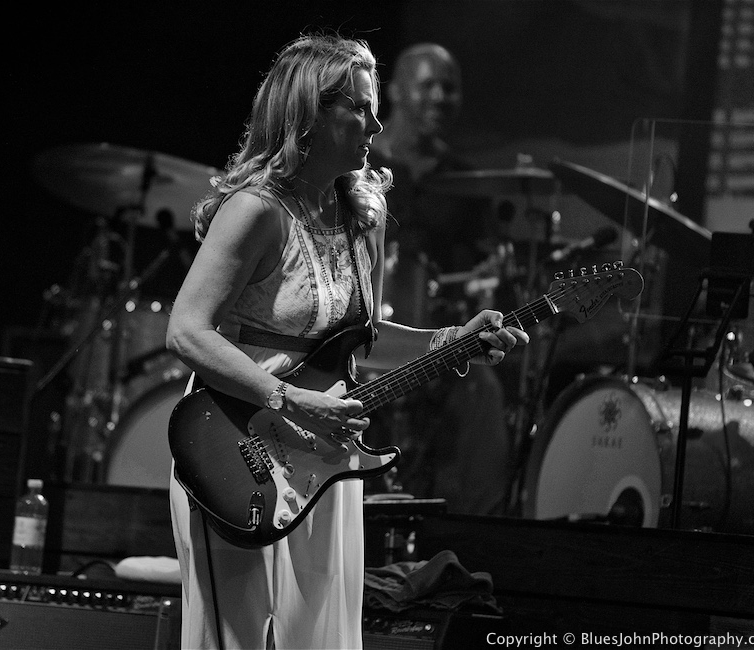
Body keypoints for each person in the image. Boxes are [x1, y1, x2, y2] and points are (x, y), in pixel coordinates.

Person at [166, 34, 528, 650]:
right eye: (358, 108)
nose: (376, 122)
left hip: (325, 455)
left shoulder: (365, 214)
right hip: (233, 443)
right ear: (309, 112)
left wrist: (449, 339)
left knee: (325, 637)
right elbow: (186, 330)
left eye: (372, 106)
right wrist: (288, 399)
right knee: (233, 639)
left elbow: (361, 341)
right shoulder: (256, 210)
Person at [367, 43, 520, 516]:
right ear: (393, 90)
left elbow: (483, 266)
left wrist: (487, 278)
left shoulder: (465, 180)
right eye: (427, 84)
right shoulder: (357, 162)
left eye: (449, 88)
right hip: (355, 323)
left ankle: (471, 525)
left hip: (431, 324)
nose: (439, 96)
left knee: (485, 391)